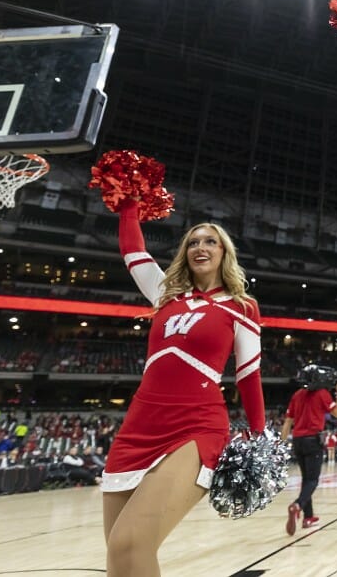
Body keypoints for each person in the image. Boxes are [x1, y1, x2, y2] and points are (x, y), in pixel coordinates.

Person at [101, 200, 266, 576]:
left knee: (132, 541)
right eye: (193, 242)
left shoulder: (242, 306)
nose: (200, 247)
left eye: (210, 241)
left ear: (224, 253)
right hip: (139, 427)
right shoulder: (165, 295)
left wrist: (259, 440)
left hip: (197, 427)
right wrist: (128, 203)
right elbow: (133, 251)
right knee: (118, 553)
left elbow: (249, 376)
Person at [280, 372, 337, 535]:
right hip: (313, 440)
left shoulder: (297, 395)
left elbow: (288, 421)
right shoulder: (322, 394)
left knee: (306, 480)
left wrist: (281, 444)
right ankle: (297, 505)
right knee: (312, 480)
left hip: (297, 441)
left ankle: (308, 517)